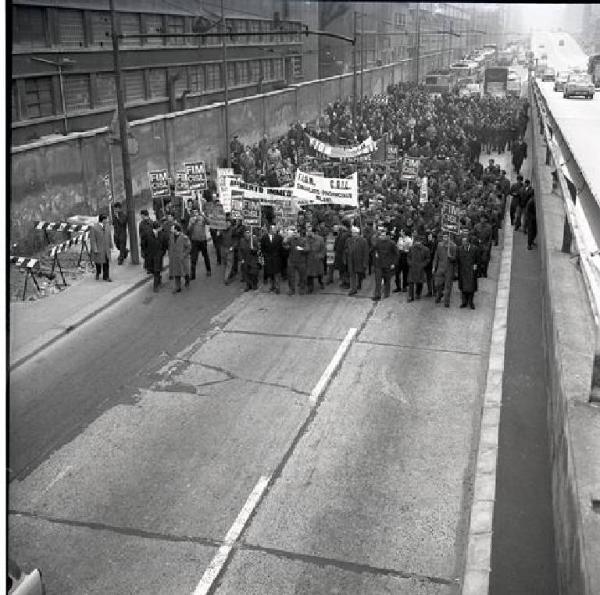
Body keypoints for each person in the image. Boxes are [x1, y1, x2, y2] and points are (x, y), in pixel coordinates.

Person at [371, 228, 398, 301]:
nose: (382, 237)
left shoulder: (392, 243)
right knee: (378, 281)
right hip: (379, 265)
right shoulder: (378, 242)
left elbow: (396, 254)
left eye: (383, 235)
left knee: (387, 280)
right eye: (381, 235)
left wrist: (393, 263)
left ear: (387, 236)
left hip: (388, 265)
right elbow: (373, 249)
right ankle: (377, 295)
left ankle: (387, 293)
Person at [432, 231, 457, 307]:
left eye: (446, 237)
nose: (445, 239)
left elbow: (455, 259)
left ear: (449, 238)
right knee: (437, 284)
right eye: (444, 237)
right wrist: (434, 266)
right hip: (440, 268)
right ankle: (439, 295)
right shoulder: (439, 245)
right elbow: (436, 257)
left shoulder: (453, 246)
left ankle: (446, 302)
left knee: (448, 286)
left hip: (449, 269)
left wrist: (451, 257)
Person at [143, 221, 169, 292]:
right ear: (157, 228)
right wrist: (146, 253)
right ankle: (159, 278)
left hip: (158, 255)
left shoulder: (162, 234)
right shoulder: (147, 234)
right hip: (150, 255)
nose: (161, 228)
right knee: (151, 269)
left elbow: (165, 245)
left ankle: (155, 286)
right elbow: (144, 244)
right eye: (160, 227)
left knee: (157, 270)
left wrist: (162, 253)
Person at [187, 208, 212, 279]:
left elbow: (209, 222)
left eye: (196, 212)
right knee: (193, 258)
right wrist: (192, 223)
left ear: (198, 212)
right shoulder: (191, 219)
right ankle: (193, 274)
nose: (195, 213)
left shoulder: (202, 218)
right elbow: (188, 229)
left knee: (206, 256)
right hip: (194, 241)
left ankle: (208, 270)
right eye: (194, 212)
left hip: (202, 240)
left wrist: (203, 216)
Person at [457, 233, 480, 310]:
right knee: (463, 288)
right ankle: (464, 302)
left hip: (471, 271)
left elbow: (478, 260)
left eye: (464, 241)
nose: (463, 243)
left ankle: (471, 302)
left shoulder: (474, 249)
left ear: (468, 242)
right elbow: (458, 260)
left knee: (471, 288)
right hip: (463, 271)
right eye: (462, 241)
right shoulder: (459, 249)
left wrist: (475, 267)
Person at [345, 226, 369, 296]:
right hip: (351, 261)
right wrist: (347, 252)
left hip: (359, 261)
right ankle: (353, 289)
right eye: (352, 233)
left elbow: (366, 253)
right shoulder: (348, 240)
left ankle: (359, 284)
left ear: (357, 233)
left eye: (354, 233)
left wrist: (365, 263)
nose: (353, 234)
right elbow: (345, 248)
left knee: (360, 274)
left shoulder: (363, 241)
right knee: (352, 275)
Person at [260, 224, 284, 293]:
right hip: (268, 258)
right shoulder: (264, 237)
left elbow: (281, 248)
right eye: (272, 229)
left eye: (274, 229)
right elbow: (262, 248)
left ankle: (277, 288)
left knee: (277, 273)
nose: (273, 230)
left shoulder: (279, 237)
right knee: (270, 273)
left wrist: (280, 256)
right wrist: (265, 255)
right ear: (269, 230)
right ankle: (272, 286)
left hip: (277, 258)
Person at [406, 235, 430, 302]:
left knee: (419, 282)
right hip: (412, 267)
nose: (417, 243)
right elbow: (408, 257)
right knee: (411, 282)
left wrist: (423, 265)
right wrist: (409, 263)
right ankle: (411, 296)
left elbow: (428, 259)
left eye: (418, 241)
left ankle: (418, 293)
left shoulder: (426, 249)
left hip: (420, 268)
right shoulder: (411, 248)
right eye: (416, 241)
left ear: (421, 242)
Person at [90, 213, 113, 282]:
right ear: (102, 220)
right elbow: (93, 239)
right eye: (106, 219)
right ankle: (98, 272)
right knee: (98, 263)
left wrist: (111, 245)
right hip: (99, 248)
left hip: (106, 248)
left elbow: (109, 236)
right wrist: (95, 249)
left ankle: (106, 276)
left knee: (106, 262)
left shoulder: (107, 226)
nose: (107, 220)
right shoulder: (94, 228)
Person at [285, 228, 308, 295]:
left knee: (302, 276)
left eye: (296, 233)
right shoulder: (290, 239)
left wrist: (301, 248)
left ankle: (302, 289)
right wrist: (285, 242)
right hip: (291, 261)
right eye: (294, 233)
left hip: (301, 261)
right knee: (291, 276)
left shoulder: (303, 240)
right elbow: (285, 246)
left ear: (299, 233)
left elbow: (307, 248)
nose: (295, 234)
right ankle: (291, 289)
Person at [170, 223, 191, 293]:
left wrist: (184, 254)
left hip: (183, 259)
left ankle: (187, 280)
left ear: (176, 229)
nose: (171, 229)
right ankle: (177, 287)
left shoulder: (184, 237)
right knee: (176, 273)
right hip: (175, 258)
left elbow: (189, 247)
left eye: (172, 228)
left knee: (185, 271)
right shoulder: (172, 236)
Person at [306, 224, 326, 293]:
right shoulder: (305, 239)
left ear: (313, 232)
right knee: (309, 274)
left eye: (309, 231)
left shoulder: (320, 238)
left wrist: (320, 256)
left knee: (320, 273)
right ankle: (310, 287)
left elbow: (323, 249)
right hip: (309, 259)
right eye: (307, 231)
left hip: (317, 258)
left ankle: (321, 282)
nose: (308, 232)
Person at [394, 227, 412, 292]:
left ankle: (404, 286)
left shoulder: (409, 240)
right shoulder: (400, 238)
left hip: (405, 255)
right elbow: (397, 246)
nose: (400, 232)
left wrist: (405, 250)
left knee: (405, 272)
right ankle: (398, 287)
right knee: (397, 272)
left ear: (404, 232)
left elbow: (410, 249)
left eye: (401, 231)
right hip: (400, 255)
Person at [221, 218, 235, 284]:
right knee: (226, 263)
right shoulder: (222, 230)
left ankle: (226, 279)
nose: (227, 224)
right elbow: (218, 240)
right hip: (223, 249)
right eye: (226, 222)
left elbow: (236, 240)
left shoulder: (233, 230)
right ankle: (230, 274)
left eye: (228, 222)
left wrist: (233, 246)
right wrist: (218, 235)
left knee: (229, 264)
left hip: (230, 249)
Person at [138, 209, 153, 273]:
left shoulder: (151, 222)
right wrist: (140, 241)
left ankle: (149, 268)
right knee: (145, 255)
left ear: (144, 215)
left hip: (150, 242)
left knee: (149, 255)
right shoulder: (141, 223)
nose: (141, 216)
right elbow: (140, 233)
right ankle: (147, 266)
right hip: (144, 242)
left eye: (141, 215)